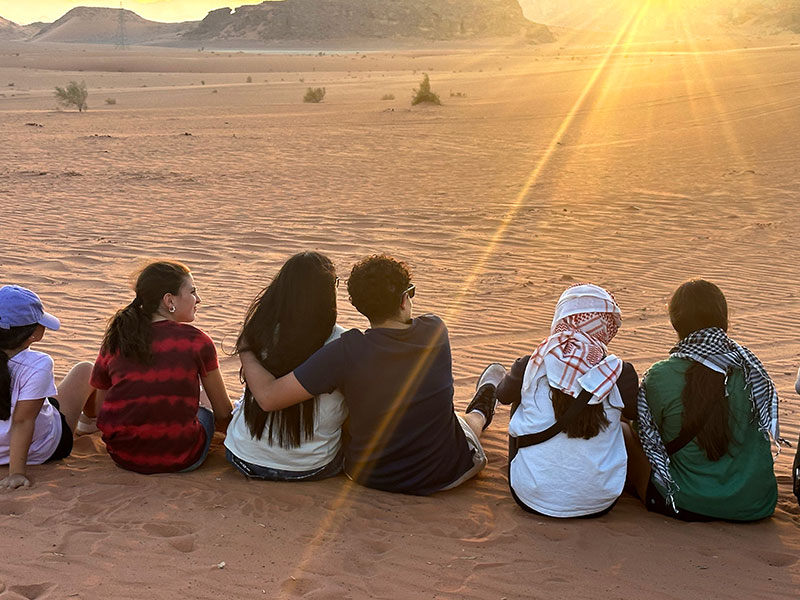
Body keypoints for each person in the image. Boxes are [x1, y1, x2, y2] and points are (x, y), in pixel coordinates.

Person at [240, 254, 496, 495]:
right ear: (405, 299)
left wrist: (246, 349)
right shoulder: (435, 329)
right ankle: (482, 408)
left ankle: (479, 409)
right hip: (445, 474)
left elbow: (269, 396)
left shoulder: (345, 350)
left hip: (371, 478)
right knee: (464, 422)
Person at [625, 279, 778, 521]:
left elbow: (647, 437)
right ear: (724, 318)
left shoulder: (662, 375)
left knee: (624, 429)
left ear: (675, 322)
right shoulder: (752, 369)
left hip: (686, 502)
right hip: (755, 504)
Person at [488, 284, 638, 518]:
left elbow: (503, 396)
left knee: (522, 395)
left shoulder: (532, 363)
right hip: (600, 501)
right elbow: (634, 414)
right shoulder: (619, 372)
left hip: (531, 496)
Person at [90, 261, 232, 474]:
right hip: (182, 458)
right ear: (169, 300)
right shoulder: (197, 341)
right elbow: (223, 412)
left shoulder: (118, 337)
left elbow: (100, 408)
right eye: (192, 292)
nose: (199, 299)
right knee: (206, 410)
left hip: (123, 456)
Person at [225, 252, 347, 481]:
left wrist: (246, 346)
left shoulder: (258, 332)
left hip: (242, 457)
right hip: (309, 467)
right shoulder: (343, 343)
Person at [0, 285, 96, 490]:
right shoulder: (38, 363)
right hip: (42, 448)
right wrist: (16, 473)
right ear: (34, 333)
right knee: (86, 370)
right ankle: (89, 423)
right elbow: (23, 420)